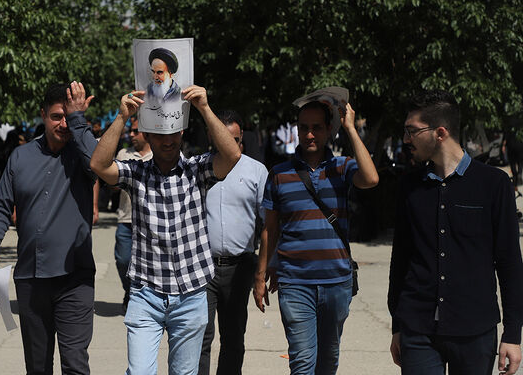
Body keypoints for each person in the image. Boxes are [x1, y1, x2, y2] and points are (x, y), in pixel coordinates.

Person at [90, 85, 241, 375]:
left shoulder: (198, 170)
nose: (167, 140)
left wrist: (204, 108)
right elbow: (98, 164)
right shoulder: (136, 173)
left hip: (192, 294)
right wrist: (122, 117)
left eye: (173, 132)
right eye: (159, 133)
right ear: (146, 136)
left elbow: (232, 155)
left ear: (182, 132)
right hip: (146, 294)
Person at [388, 90, 523, 375]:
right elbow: (400, 259)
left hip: (475, 330)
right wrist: (397, 325)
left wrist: (512, 334)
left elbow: (510, 263)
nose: (405, 139)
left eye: (411, 131)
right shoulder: (408, 187)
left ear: (440, 132)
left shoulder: (494, 184)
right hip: (417, 329)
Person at [0, 81, 98, 375]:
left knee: (75, 364)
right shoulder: (20, 157)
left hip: (75, 278)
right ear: (43, 114)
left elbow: (99, 164)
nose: (63, 124)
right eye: (57, 116)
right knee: (37, 366)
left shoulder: (84, 155)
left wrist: (79, 119)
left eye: (68, 117)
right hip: (31, 280)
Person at [254, 98, 379, 375]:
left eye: (317, 128)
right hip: (295, 282)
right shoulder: (279, 174)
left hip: (336, 281)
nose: (309, 134)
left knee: (328, 361)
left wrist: (350, 128)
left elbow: (371, 179)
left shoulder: (343, 167)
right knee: (301, 363)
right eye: (303, 127)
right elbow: (270, 229)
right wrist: (260, 275)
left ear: (328, 130)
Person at [198, 110, 268, 375]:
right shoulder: (199, 167)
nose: (230, 146)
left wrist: (261, 274)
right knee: (199, 338)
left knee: (234, 338)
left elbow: (268, 226)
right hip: (202, 267)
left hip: (240, 268)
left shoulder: (256, 171)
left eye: (236, 140)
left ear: (242, 140)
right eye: (222, 139)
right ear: (211, 137)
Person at [109, 116, 152, 311]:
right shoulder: (124, 154)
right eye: (131, 131)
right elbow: (113, 182)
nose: (132, 135)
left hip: (150, 221)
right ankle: (129, 289)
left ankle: (143, 298)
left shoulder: (157, 154)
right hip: (126, 219)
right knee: (123, 259)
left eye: (136, 131)